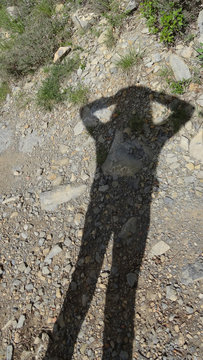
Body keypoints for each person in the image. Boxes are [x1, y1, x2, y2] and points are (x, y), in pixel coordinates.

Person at [44, 86, 194, 360]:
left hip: (98, 208)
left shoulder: (105, 135)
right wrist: (156, 97)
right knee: (120, 281)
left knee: (85, 268)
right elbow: (186, 110)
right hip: (136, 207)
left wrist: (111, 100)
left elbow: (84, 112)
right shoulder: (153, 138)